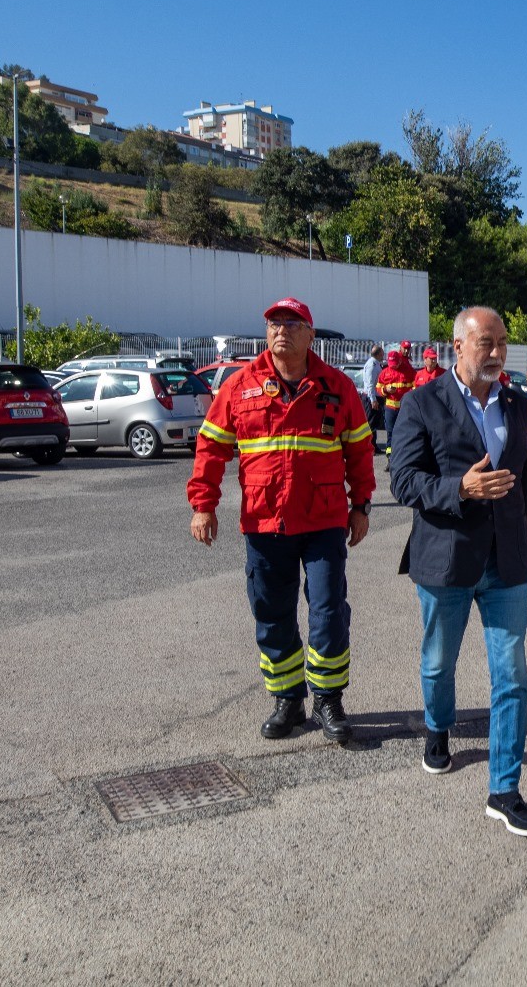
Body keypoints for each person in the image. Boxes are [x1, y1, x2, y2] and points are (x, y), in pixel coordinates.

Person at [187, 297, 375, 744]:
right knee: (271, 612)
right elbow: (211, 448)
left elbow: (360, 451)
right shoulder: (240, 386)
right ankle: (287, 698)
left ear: (311, 335)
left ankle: (328, 698)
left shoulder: (337, 387)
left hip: (324, 520)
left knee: (328, 611)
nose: (280, 331)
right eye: (273, 323)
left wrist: (362, 505)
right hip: (264, 519)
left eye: (292, 323)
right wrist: (203, 504)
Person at [389, 306, 527, 838]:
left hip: (506, 563)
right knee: (438, 663)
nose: (497, 353)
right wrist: (460, 488)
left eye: (502, 342)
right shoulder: (421, 403)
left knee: (512, 677)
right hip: (446, 560)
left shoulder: (517, 405)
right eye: (486, 343)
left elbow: (524, 489)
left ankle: (504, 790)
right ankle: (437, 726)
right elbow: (404, 482)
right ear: (458, 346)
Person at [375, 348, 414, 456]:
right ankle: (390, 457)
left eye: (395, 364)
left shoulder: (408, 371)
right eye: (391, 364)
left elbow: (415, 386)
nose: (394, 366)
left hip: (404, 408)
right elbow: (378, 388)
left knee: (405, 432)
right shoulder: (384, 373)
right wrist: (385, 390)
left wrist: (408, 396)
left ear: (400, 361)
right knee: (390, 433)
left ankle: (404, 456)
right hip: (390, 408)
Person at [361, 344, 386, 454]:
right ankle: (369, 447)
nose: (383, 355)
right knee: (371, 423)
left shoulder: (376, 364)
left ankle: (373, 446)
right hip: (372, 397)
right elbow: (370, 384)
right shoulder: (372, 365)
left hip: (375, 397)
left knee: (375, 423)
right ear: (378, 353)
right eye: (382, 353)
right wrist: (373, 400)